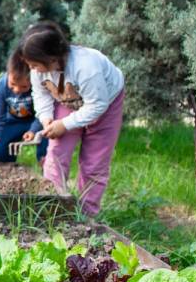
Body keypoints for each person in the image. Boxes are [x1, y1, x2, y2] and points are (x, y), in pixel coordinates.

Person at [19, 20, 125, 216]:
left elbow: (97, 105)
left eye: (34, 63)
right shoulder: (38, 71)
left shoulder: (86, 67)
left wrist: (66, 124)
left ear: (51, 58)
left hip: (105, 104)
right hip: (69, 102)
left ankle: (85, 214)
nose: (32, 69)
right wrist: (47, 119)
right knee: (56, 153)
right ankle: (53, 208)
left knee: (94, 162)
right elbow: (40, 95)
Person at [0, 47, 47, 165]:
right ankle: (3, 171)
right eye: (13, 84)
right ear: (8, 74)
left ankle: (46, 166)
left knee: (46, 140)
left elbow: (42, 111)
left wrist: (33, 130)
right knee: (1, 151)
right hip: (13, 121)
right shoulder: (2, 85)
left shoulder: (38, 84)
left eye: (24, 87)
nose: (17, 90)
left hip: (36, 120)